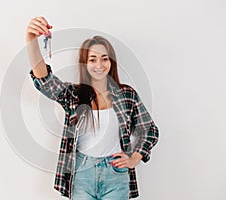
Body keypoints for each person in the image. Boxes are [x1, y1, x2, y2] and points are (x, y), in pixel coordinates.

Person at [25, 16, 159, 200]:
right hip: (82, 173)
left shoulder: (127, 95)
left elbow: (149, 131)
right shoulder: (73, 95)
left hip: (116, 173)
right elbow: (45, 80)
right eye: (93, 59)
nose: (99, 65)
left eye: (104, 59)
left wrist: (135, 158)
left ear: (111, 62)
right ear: (85, 64)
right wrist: (31, 40)